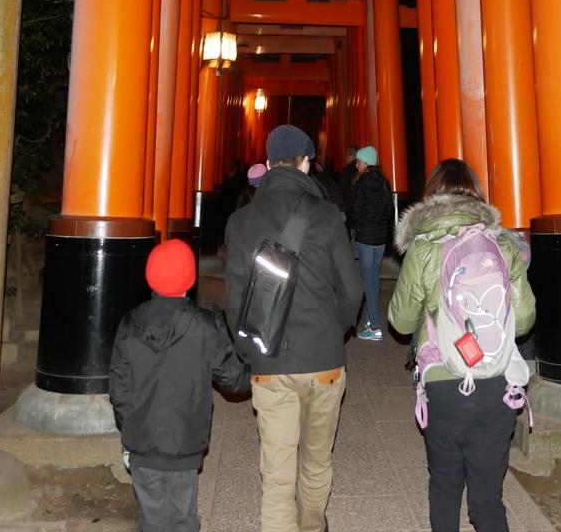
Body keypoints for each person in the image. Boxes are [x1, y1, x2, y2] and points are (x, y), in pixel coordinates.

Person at [224, 125, 364, 532]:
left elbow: (234, 303)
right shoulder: (327, 216)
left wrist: (250, 349)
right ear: (306, 163)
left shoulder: (240, 221)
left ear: (268, 165)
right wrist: (332, 332)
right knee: (317, 461)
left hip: (269, 361)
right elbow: (352, 291)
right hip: (323, 360)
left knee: (277, 473)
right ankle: (311, 524)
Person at [387, 159, 535, 532]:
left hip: (444, 382)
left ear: (431, 197)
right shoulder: (502, 243)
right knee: (488, 500)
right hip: (497, 383)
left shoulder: (423, 248)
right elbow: (527, 317)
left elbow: (400, 322)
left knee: (445, 487)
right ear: (477, 196)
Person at [109, 239, 251, 532]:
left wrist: (132, 425)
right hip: (186, 442)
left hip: (143, 443)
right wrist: (257, 367)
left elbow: (119, 388)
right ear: (189, 279)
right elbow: (233, 380)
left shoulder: (129, 323)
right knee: (184, 517)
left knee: (152, 519)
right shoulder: (206, 325)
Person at [347, 145, 393, 341]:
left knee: (369, 282)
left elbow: (355, 211)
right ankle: (369, 320)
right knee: (373, 280)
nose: (356, 165)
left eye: (358, 161)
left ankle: (375, 326)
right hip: (380, 239)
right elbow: (390, 210)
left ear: (365, 162)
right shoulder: (384, 182)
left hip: (366, 239)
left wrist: (359, 226)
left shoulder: (361, 183)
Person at [337, 145, 360, 212]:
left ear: (352, 157)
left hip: (348, 209)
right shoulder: (362, 170)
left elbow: (341, 192)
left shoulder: (346, 171)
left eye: (346, 156)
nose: (345, 159)